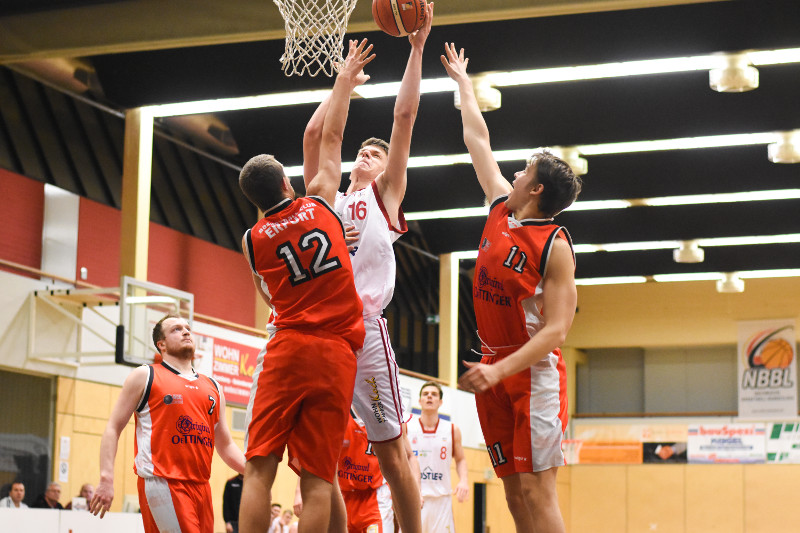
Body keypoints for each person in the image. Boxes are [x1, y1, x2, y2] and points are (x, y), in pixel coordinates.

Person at [301, 6, 434, 533]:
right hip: (316, 326)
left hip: (363, 329)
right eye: (362, 149)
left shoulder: (384, 199)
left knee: (392, 449)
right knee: (318, 451)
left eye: (375, 155)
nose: (366, 155)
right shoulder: (325, 198)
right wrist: (342, 86)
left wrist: (417, 50)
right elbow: (317, 135)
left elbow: (403, 119)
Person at [441, 43, 582, 533]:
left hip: (533, 375)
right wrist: (463, 83)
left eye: (525, 171)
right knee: (513, 493)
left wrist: (499, 370)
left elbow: (557, 330)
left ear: (537, 190)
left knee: (538, 493)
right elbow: (477, 140)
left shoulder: (555, 246)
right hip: (493, 366)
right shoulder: (500, 207)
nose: (516, 173)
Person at [236, 39, 375, 533]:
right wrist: (344, 79)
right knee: (319, 477)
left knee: (259, 466)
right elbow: (330, 136)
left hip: (288, 345)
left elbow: (270, 298)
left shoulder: (253, 240)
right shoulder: (319, 204)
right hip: (336, 352)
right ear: (289, 186)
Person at [88, 314, 246, 533]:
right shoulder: (145, 375)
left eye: (188, 328)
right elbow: (113, 427)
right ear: (160, 344)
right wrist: (106, 478)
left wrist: (253, 472)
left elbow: (226, 444)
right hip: (163, 481)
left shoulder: (214, 387)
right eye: (176, 329)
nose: (186, 332)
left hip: (201, 486)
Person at [294, 412, 395, 533]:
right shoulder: (337, 411)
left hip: (374, 497)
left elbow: (407, 456)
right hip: (339, 495)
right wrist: (299, 492)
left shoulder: (386, 414)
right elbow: (315, 455)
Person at [407, 382, 468, 533]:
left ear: (440, 402)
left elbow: (460, 459)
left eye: (434, 394)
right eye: (425, 394)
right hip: (415, 498)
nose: (429, 396)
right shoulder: (407, 427)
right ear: (419, 400)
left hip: (442, 500)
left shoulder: (452, 429)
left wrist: (464, 481)